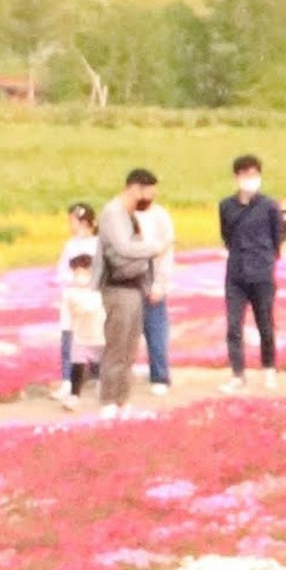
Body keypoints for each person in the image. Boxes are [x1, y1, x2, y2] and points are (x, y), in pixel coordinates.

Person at [89, 168, 163, 409]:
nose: (149, 200)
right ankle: (109, 399)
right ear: (134, 188)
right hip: (118, 288)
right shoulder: (113, 212)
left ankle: (122, 399)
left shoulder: (129, 215)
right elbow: (123, 248)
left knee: (129, 348)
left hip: (134, 288)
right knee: (117, 346)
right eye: (148, 194)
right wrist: (154, 247)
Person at [218, 150, 286, 371]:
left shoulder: (270, 206)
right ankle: (237, 373)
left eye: (253, 174)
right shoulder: (226, 206)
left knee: (265, 324)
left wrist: (266, 259)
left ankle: (269, 367)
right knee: (233, 326)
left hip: (262, 273)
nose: (249, 179)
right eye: (244, 174)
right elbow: (226, 236)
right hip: (236, 273)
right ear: (237, 177)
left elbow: (278, 238)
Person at [55, 199, 104, 395]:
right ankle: (67, 381)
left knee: (94, 339)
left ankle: (99, 378)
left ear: (84, 223)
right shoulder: (70, 246)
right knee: (69, 338)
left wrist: (87, 281)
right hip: (72, 298)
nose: (70, 225)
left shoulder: (99, 245)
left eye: (72, 221)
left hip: (92, 300)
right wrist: (72, 279)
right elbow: (61, 272)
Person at [136, 170, 179, 389]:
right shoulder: (120, 214)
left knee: (156, 331)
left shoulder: (160, 216)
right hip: (127, 282)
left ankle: (159, 376)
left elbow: (165, 253)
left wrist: (161, 284)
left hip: (151, 279)